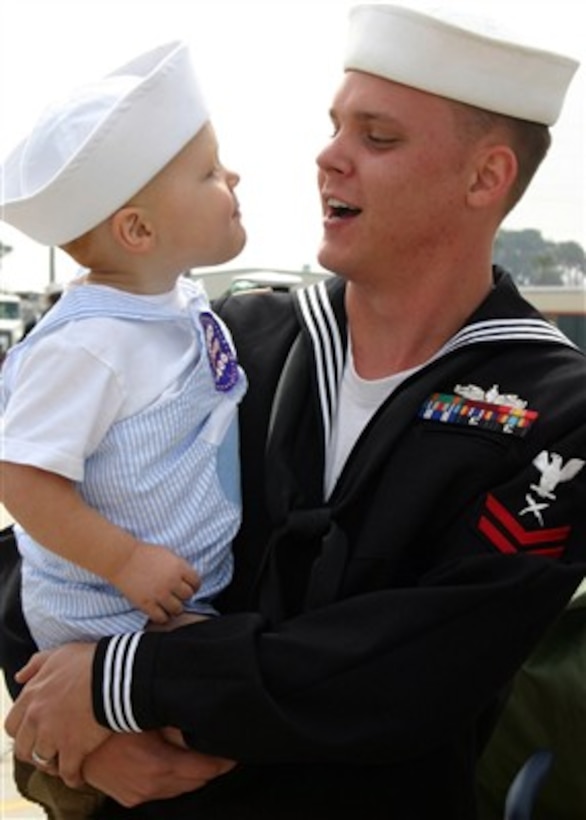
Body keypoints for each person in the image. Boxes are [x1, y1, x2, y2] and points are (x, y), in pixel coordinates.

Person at [3, 4, 586, 818]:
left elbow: (419, 665)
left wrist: (125, 682)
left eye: (376, 138)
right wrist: (92, 741)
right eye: (334, 125)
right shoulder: (230, 342)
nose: (328, 156)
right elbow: (37, 541)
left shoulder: (555, 410)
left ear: (485, 178)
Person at [0, 39, 246, 818]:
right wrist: (128, 560)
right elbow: (21, 477)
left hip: (162, 612)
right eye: (209, 173)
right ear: (138, 232)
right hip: (107, 614)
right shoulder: (87, 344)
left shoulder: (170, 310)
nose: (232, 179)